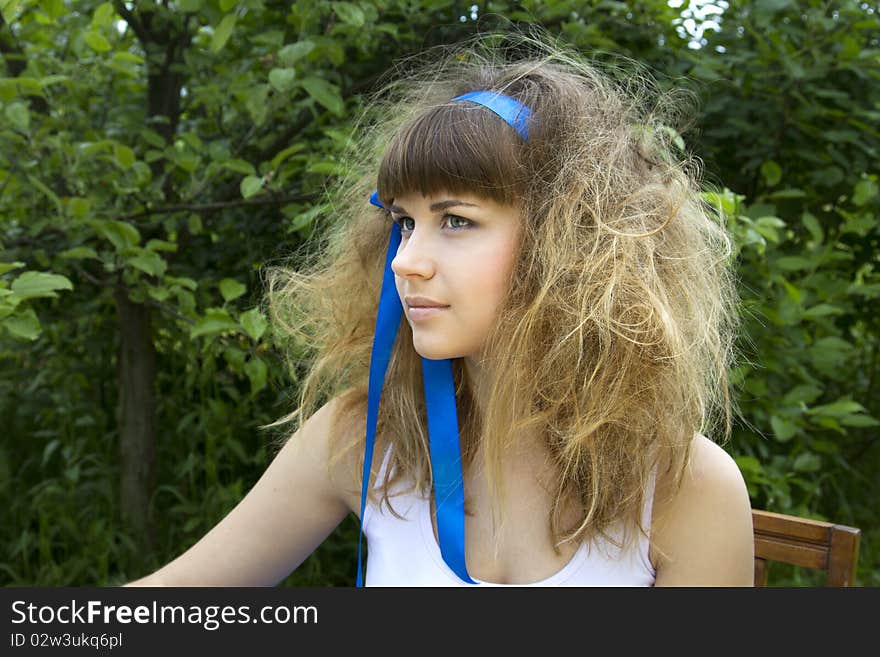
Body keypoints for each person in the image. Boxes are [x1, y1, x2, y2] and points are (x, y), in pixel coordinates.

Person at [125, 30, 754, 587]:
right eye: (403, 222)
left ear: (570, 246)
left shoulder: (681, 487)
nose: (406, 260)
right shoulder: (368, 441)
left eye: (455, 220)